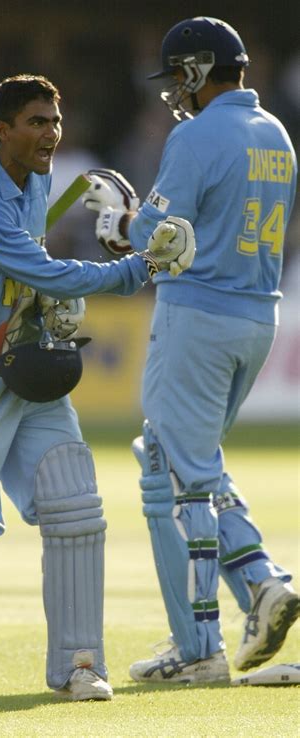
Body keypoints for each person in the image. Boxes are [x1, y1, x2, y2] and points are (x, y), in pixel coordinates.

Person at [0, 74, 195, 701]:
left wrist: (42, 308)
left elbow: (32, 274)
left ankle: (80, 664)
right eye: (36, 122)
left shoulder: (33, 181)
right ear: (1, 129)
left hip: (25, 364)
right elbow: (42, 268)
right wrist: (134, 269)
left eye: (55, 122)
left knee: (74, 504)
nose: (51, 134)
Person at [83, 17, 298, 684]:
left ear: (201, 69)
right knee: (179, 463)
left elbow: (156, 233)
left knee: (174, 475)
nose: (176, 90)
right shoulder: (277, 133)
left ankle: (204, 640)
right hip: (257, 317)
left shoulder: (198, 134)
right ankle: (251, 593)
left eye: (180, 75)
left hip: (198, 313)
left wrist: (117, 222)